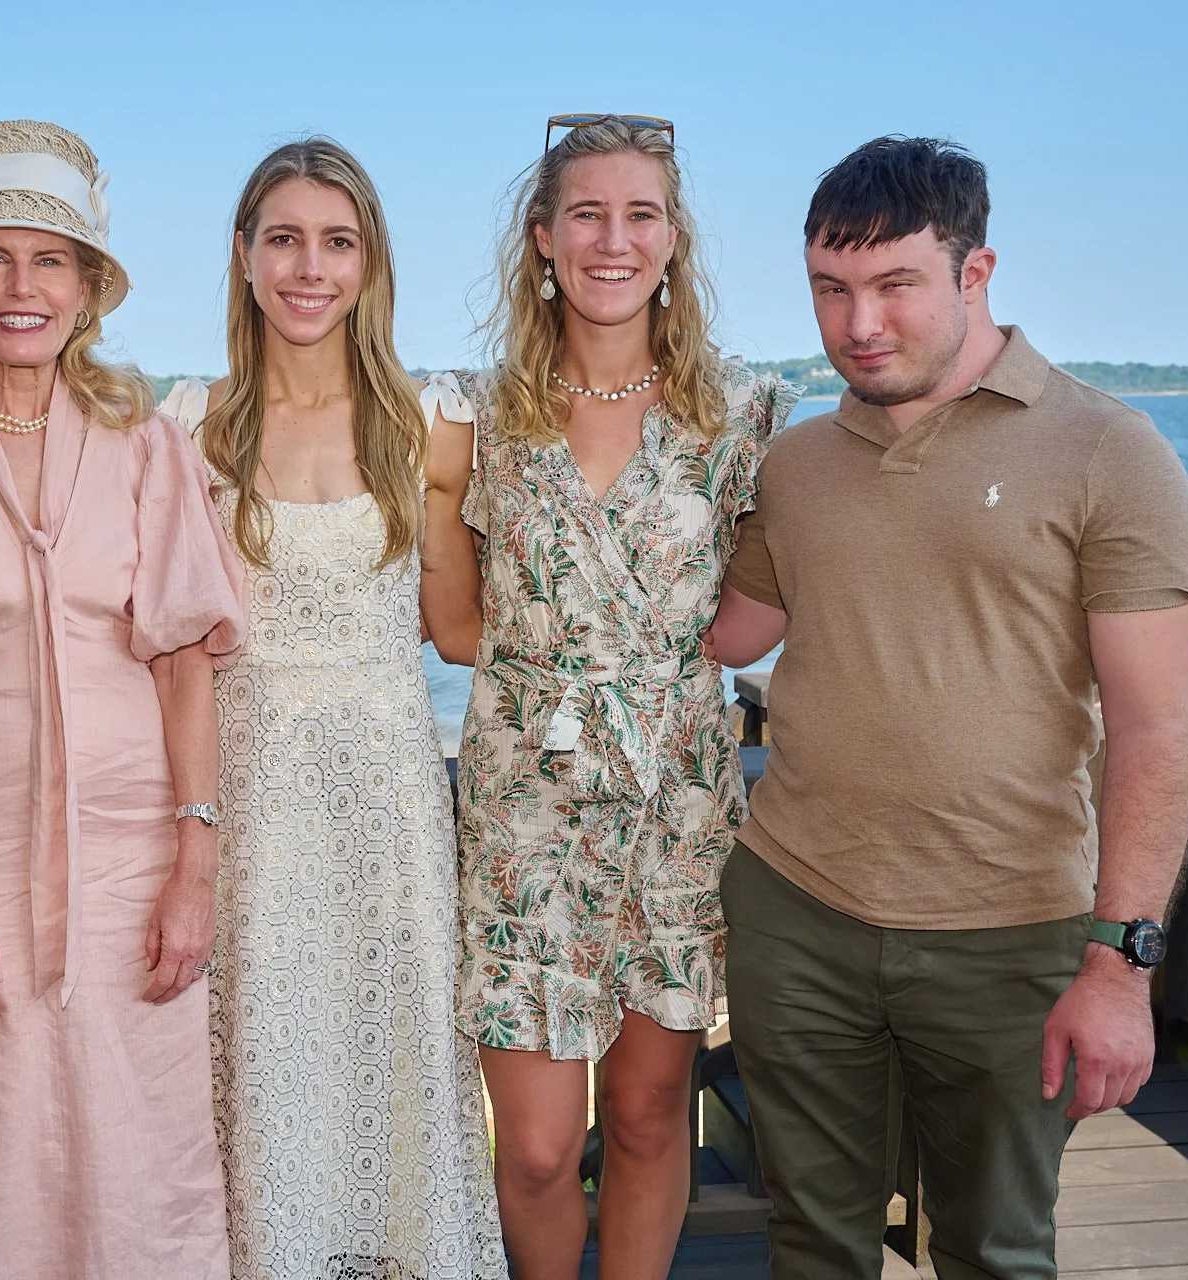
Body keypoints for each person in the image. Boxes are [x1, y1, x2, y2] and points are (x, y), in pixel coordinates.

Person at [707, 135, 1188, 1279]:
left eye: (894, 285)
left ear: (975, 273)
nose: (858, 323)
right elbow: (724, 634)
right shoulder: (793, 461)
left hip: (1007, 932)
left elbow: (1156, 728)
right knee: (813, 1237)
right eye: (831, 290)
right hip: (799, 909)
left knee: (992, 1249)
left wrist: (1120, 965)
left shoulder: (1109, 452)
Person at [0, 120, 245, 1280]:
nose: (24, 286)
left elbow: (184, 666)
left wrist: (195, 866)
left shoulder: (147, 449)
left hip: (134, 871)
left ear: (87, 289)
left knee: (143, 1159)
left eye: (52, 259)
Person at [421, 115, 798, 1279]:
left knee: (645, 1118)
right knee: (535, 1148)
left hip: (674, 816)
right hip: (525, 812)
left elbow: (762, 603)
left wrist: (665, 675)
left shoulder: (743, 413)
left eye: (640, 214)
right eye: (586, 213)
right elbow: (455, 626)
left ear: (674, 239)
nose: (612, 238)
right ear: (542, 238)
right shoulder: (475, 414)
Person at [161, 138, 506, 1280]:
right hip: (249, 804)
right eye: (286, 238)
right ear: (245, 256)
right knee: (265, 1076)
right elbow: (160, 645)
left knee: (391, 1069)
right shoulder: (186, 429)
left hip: (388, 802)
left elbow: (458, 629)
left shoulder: (430, 421)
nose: (310, 267)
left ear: (371, 262)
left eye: (338, 241)